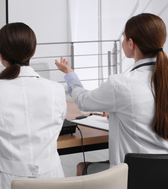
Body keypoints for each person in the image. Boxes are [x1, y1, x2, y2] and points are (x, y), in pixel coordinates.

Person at [55, 13, 168, 175]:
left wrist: (70, 74)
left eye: (123, 38)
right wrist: (118, 113)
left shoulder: (122, 84)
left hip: (132, 175)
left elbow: (83, 101)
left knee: (82, 167)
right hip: (163, 175)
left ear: (131, 43)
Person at [0, 22, 67, 189]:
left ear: (0, 54)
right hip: (53, 181)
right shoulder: (57, 90)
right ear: (33, 51)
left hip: (8, 183)